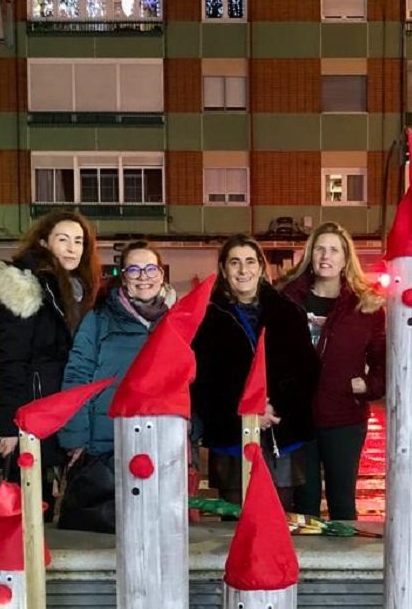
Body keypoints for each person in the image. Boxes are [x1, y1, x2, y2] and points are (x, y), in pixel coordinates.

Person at [191, 234, 319, 509]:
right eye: (234, 262)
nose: (243, 270)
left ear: (261, 267)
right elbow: (202, 383)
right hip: (231, 437)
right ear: (224, 269)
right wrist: (246, 414)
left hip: (280, 434)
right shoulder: (207, 318)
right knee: (236, 527)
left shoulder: (288, 313)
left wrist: (274, 408)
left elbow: (306, 371)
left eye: (250, 262)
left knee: (279, 520)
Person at [0, 211, 100, 500]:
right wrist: (9, 426)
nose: (72, 248)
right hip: (33, 412)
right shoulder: (27, 287)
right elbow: (11, 359)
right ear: (45, 243)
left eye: (79, 241)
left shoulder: (78, 290)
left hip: (67, 408)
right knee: (29, 506)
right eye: (63, 239)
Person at [278, 222, 386, 521]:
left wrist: (366, 386)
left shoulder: (366, 306)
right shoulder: (288, 299)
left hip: (344, 419)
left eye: (333, 250)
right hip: (298, 420)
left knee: (342, 503)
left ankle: (347, 566)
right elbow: (272, 356)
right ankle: (306, 567)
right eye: (319, 249)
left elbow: (382, 364)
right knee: (304, 506)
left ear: (345, 258)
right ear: (310, 255)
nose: (326, 256)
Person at [60, 240, 174, 459]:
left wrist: (192, 428)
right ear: (123, 278)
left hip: (165, 439)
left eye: (150, 269)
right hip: (108, 441)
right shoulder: (99, 319)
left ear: (161, 275)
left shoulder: (178, 319)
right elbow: (77, 377)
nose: (143, 277)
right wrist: (76, 439)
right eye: (134, 270)